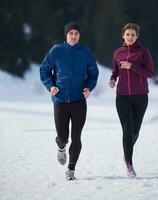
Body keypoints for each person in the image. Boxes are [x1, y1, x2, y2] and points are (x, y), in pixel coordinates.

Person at [40, 22, 99, 180]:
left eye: (76, 33)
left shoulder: (85, 52)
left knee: (76, 136)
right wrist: (50, 86)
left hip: (79, 101)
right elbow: (44, 70)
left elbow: (93, 73)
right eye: (71, 33)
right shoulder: (56, 51)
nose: (74, 36)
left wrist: (88, 87)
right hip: (60, 100)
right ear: (66, 35)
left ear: (79, 35)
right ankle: (60, 146)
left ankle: (71, 169)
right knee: (63, 136)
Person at [109, 23, 153, 178]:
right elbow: (115, 71)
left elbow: (149, 73)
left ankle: (127, 150)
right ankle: (129, 164)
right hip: (122, 97)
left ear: (137, 36)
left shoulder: (143, 52)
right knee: (127, 129)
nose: (130, 37)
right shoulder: (117, 52)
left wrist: (131, 66)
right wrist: (113, 79)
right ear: (123, 35)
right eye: (127, 34)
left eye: (133, 34)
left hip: (140, 97)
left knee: (135, 131)